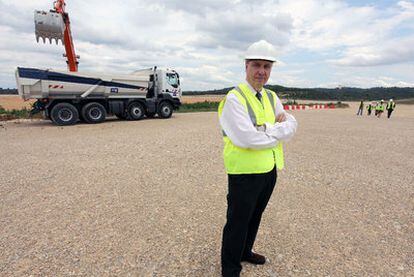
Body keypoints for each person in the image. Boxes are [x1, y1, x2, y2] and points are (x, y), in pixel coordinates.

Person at [218, 40, 297, 277]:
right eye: (256, 65)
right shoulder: (234, 98)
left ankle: (245, 251)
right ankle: (230, 269)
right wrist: (276, 132)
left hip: (269, 170)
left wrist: (266, 129)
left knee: (255, 215)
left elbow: (292, 125)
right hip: (244, 173)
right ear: (246, 66)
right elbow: (246, 138)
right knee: (237, 222)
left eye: (267, 66)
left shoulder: (272, 96)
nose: (262, 71)